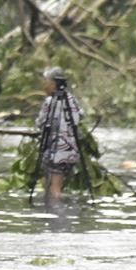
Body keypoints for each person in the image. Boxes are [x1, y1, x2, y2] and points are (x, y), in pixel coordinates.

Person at [35, 66, 85, 206]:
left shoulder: (50, 102)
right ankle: (56, 207)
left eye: (46, 82)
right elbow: (81, 115)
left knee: (55, 189)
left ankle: (57, 212)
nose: (44, 85)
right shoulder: (71, 99)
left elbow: (40, 122)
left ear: (53, 83)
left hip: (56, 151)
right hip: (71, 151)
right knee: (54, 183)